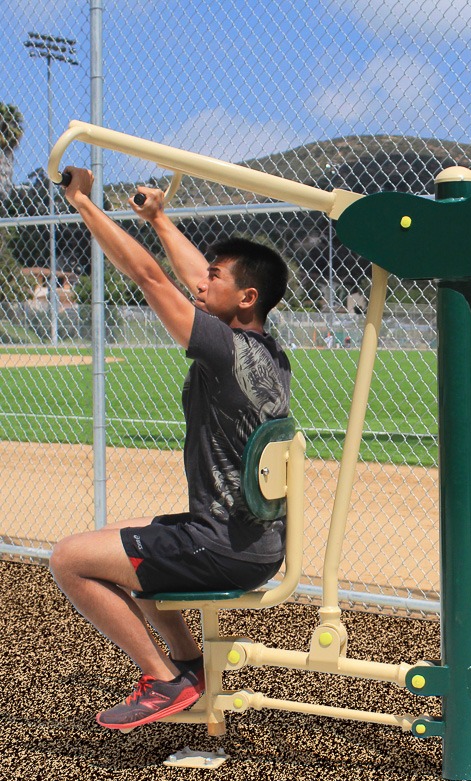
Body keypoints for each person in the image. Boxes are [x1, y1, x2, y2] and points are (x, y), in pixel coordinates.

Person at [50, 170, 292, 731]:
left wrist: (83, 202)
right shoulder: (268, 351)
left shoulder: (224, 350)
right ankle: (189, 664)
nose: (200, 285)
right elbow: (192, 277)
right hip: (252, 540)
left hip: (224, 547)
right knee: (129, 537)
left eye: (213, 278)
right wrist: (158, 218)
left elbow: (149, 276)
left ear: (246, 297)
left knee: (69, 560)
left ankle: (162, 679)